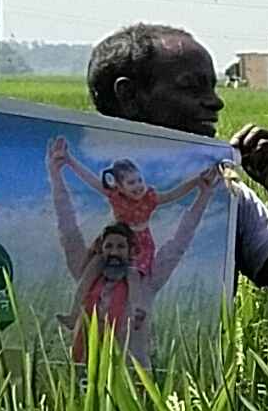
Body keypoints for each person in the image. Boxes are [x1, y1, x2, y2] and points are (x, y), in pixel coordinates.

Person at [86, 24, 268, 332]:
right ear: (129, 96)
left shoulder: (228, 197)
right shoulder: (59, 182)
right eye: (191, 87)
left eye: (212, 86)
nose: (215, 102)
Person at [48, 139, 225, 363]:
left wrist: (201, 187)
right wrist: (65, 165)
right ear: (119, 186)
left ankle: (136, 312)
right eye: (131, 182)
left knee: (133, 277)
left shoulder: (146, 279)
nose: (138, 186)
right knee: (90, 271)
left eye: (139, 180)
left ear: (130, 249)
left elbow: (178, 218)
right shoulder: (91, 264)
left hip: (129, 365)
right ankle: (74, 314)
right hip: (85, 362)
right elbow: (70, 222)